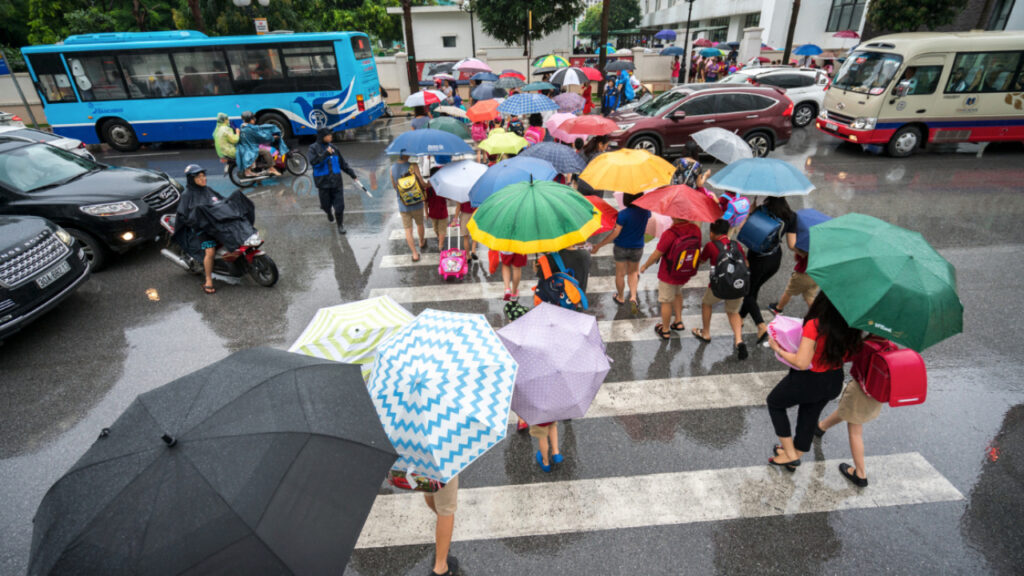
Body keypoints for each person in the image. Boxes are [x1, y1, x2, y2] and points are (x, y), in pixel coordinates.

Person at [766, 293, 864, 469]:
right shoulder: (852, 326)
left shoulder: (816, 325)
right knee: (809, 414)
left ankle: (789, 455)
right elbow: (850, 355)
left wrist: (777, 348)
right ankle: (797, 453)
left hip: (809, 379)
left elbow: (801, 362)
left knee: (774, 403)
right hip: (834, 379)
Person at [739, 197, 797, 343]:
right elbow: (791, 245)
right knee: (754, 288)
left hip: (757, 259)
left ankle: (761, 326)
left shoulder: (760, 211)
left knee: (747, 292)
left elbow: (742, 230)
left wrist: (750, 214)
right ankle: (740, 317)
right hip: (775, 260)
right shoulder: (791, 216)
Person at [692, 219, 748, 360]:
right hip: (737, 284)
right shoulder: (736, 245)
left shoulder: (711, 246)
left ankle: (706, 332)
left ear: (712, 233)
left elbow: (701, 261)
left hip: (718, 287)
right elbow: (745, 263)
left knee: (706, 303)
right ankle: (739, 340)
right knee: (733, 312)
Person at [640, 216, 702, 340]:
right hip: (684, 271)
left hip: (669, 273)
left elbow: (657, 254)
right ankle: (678, 321)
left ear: (673, 216)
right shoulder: (695, 229)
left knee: (666, 301)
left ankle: (665, 329)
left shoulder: (670, 233)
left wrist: (645, 266)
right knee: (678, 293)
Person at [590, 192, 650, 314]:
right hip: (637, 247)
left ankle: (621, 297)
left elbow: (615, 234)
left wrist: (599, 245)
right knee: (633, 272)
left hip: (621, 247)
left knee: (620, 274)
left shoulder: (623, 215)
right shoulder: (646, 212)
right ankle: (633, 296)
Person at [308, 127, 359, 233]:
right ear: (322, 137)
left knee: (340, 206)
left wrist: (352, 174)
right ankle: (328, 213)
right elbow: (314, 162)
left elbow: (342, 163)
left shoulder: (334, 148)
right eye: (329, 135)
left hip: (336, 182)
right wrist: (326, 154)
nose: (331, 136)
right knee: (325, 205)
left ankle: (340, 225)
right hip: (323, 183)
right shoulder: (313, 148)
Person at [391, 153, 428, 262]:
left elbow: (394, 187)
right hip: (416, 202)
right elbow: (421, 183)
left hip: (403, 204)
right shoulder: (413, 166)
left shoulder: (392, 168)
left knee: (408, 230)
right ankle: (421, 242)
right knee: (420, 224)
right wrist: (428, 185)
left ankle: (414, 254)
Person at [423, 476, 460, 576]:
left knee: (429, 485)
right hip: (442, 462)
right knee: (446, 509)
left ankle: (443, 529)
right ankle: (441, 568)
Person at [769, 246, 819, 317]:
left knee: (789, 292)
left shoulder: (806, 246)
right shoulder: (824, 247)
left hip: (803, 275)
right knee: (810, 296)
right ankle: (816, 315)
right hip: (816, 276)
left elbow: (797, 259)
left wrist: (796, 251)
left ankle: (778, 308)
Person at [237, 110, 284, 177]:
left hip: (247, 146)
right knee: (266, 152)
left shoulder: (243, 127)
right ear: (250, 120)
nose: (254, 119)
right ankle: (271, 168)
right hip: (251, 148)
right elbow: (261, 137)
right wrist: (272, 137)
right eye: (253, 118)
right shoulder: (249, 129)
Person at [424, 166, 449, 252]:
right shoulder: (429, 187)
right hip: (435, 213)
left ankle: (440, 245)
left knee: (441, 229)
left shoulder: (440, 186)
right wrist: (426, 213)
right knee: (436, 229)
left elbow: (425, 201)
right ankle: (440, 239)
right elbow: (426, 201)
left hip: (439, 213)